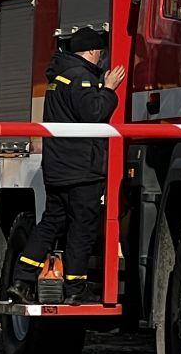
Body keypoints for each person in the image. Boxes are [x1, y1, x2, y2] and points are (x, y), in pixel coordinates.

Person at [9, 26, 124, 303]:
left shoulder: (59, 76)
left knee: (50, 223)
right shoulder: (81, 78)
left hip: (58, 167)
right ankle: (74, 289)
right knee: (81, 228)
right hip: (81, 170)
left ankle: (22, 279)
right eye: (100, 53)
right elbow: (93, 114)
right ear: (93, 51)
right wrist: (108, 90)